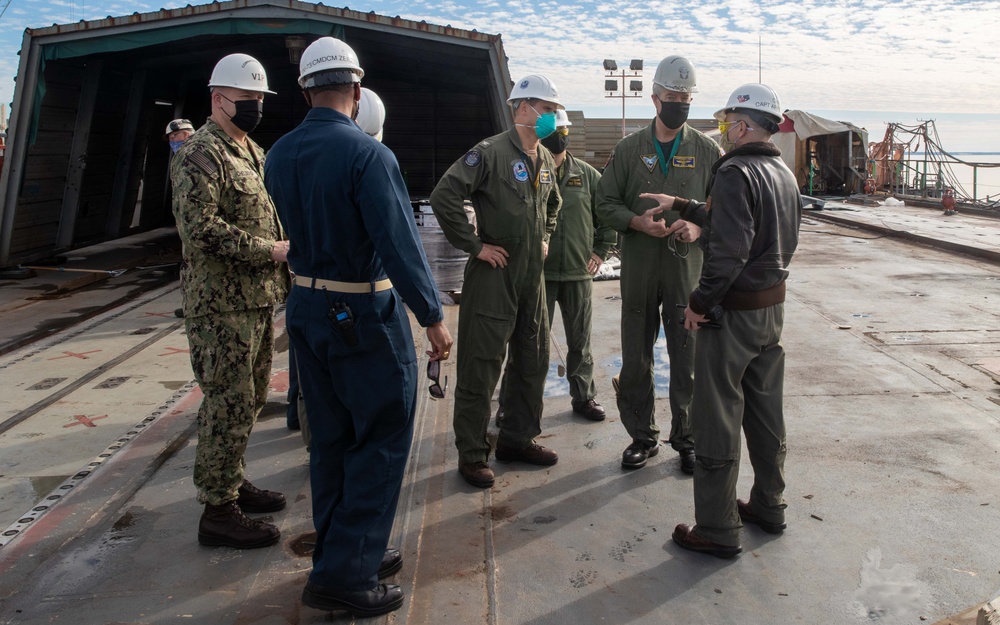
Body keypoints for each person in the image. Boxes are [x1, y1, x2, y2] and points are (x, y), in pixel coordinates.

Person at [263, 37, 452, 618]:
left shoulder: (279, 154)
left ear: (304, 90)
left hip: (306, 308)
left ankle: (347, 548)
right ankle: (344, 575)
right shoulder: (370, 156)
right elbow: (398, 245)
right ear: (359, 84)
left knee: (333, 438)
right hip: (362, 315)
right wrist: (433, 317)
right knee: (383, 434)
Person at [657, 83, 801, 558]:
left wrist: (698, 302)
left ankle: (717, 528)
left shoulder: (735, 172)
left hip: (734, 315)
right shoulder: (782, 173)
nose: (723, 130)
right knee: (765, 412)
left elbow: (729, 250)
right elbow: (743, 227)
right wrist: (680, 204)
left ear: (743, 125)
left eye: (726, 123)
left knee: (716, 416)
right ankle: (769, 504)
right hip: (770, 312)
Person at [170, 53, 290, 549]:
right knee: (227, 402)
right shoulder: (200, 154)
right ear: (219, 100)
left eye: (261, 99)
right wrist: (272, 251)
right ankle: (217, 511)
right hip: (221, 307)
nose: (256, 106)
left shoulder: (249, 150)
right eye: (247, 99)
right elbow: (200, 231)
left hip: (255, 299)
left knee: (251, 398)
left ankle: (233, 482)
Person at [430, 74, 563, 489]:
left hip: (532, 279)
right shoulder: (489, 153)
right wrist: (475, 246)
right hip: (495, 274)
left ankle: (517, 439)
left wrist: (544, 236)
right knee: (481, 365)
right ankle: (471, 454)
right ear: (521, 108)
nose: (550, 117)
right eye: (545, 109)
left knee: (532, 360)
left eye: (553, 110)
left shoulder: (542, 158)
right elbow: (444, 196)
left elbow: (554, 204)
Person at [594, 55, 720, 473]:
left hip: (687, 271)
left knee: (688, 356)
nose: (679, 104)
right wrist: (634, 222)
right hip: (640, 266)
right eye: (672, 97)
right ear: (655, 98)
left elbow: (724, 211)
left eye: (685, 98)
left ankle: (686, 438)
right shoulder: (629, 150)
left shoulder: (707, 150)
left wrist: (699, 229)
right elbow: (604, 201)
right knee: (636, 355)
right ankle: (641, 437)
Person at [499, 110, 615, 423]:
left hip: (578, 273)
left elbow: (606, 215)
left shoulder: (588, 175)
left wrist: (601, 250)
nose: (561, 135)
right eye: (556, 130)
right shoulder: (526, 171)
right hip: (539, 275)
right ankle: (511, 403)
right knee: (527, 341)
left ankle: (584, 397)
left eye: (565, 130)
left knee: (581, 342)